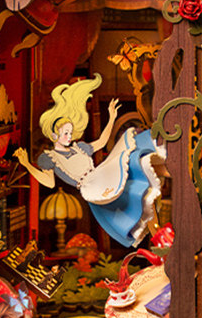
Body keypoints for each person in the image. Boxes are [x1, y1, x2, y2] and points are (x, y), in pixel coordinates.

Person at [14, 74, 165, 247]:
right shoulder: (51, 159)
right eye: (65, 133)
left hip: (103, 174)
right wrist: (27, 164)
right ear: (54, 135)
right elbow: (49, 183)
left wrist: (111, 117)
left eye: (70, 132)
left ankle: (167, 163)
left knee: (135, 164)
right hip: (94, 189)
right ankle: (158, 238)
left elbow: (101, 142)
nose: (69, 136)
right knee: (135, 208)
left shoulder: (79, 148)